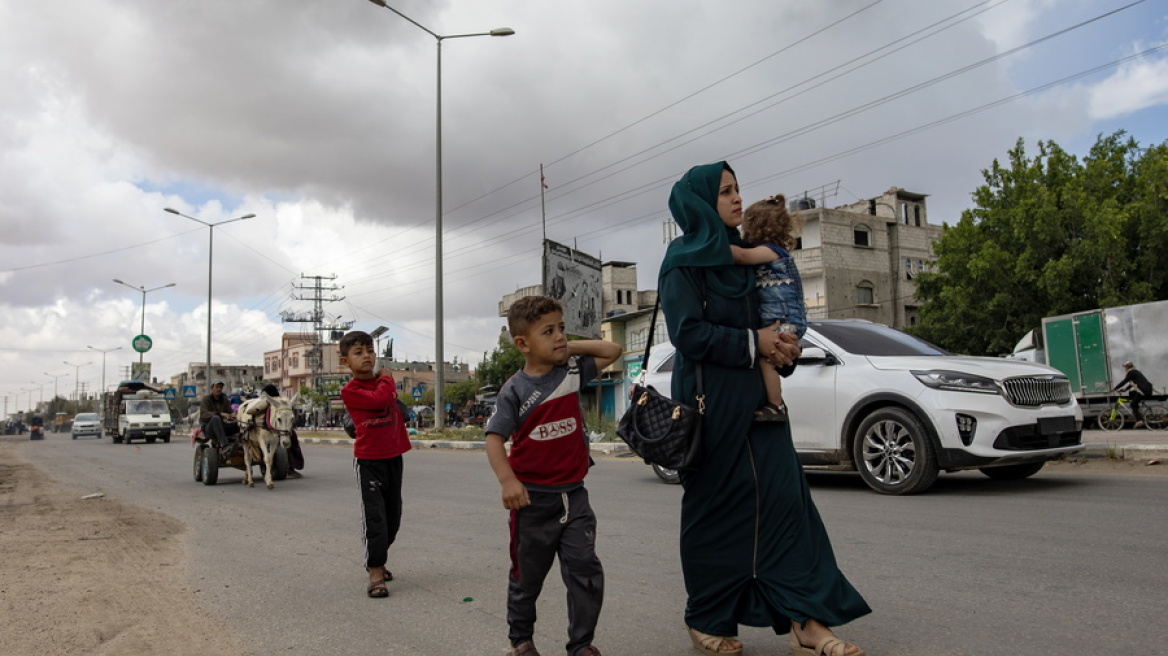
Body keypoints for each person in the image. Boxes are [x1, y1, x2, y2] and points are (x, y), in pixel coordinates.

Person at [660, 162, 870, 656]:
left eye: (738, 189)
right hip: (712, 406)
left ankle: (807, 621)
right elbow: (687, 333)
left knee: (789, 508)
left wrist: (782, 350)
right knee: (714, 516)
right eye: (725, 191)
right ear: (698, 202)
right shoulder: (683, 260)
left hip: (763, 408)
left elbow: (774, 317)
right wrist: (755, 342)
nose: (737, 199)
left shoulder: (751, 260)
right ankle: (708, 618)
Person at [484, 295, 621, 656]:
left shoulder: (572, 371)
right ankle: (521, 640)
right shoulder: (515, 390)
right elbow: (494, 439)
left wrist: (565, 345)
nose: (560, 336)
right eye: (549, 331)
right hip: (533, 502)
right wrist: (508, 481)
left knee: (585, 574)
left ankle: (581, 644)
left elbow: (613, 349)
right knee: (526, 579)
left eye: (561, 328)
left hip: (575, 497)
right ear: (522, 344)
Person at [338, 331, 411, 599]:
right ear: (345, 361)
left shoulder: (386, 382)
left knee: (393, 516)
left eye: (369, 350)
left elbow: (388, 396)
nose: (367, 355)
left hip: (394, 456)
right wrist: (387, 381)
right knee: (375, 518)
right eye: (358, 352)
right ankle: (375, 571)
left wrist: (388, 382)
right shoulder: (351, 391)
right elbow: (380, 400)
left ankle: (380, 556)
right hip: (369, 460)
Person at [729, 193, 807, 422]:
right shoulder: (773, 253)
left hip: (785, 320)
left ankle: (775, 405)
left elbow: (742, 256)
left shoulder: (772, 252)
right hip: (781, 318)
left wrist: (715, 244)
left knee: (767, 359)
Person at [198, 380, 239, 448]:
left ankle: (239, 443)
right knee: (215, 418)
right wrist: (220, 414)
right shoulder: (206, 399)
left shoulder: (225, 400)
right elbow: (203, 414)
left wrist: (233, 415)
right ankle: (224, 445)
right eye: (216, 387)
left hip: (222, 426)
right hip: (209, 428)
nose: (218, 389)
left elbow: (230, 412)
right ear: (212, 388)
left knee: (239, 423)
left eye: (220, 387)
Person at [1113, 361, 1154, 428]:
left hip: (1143, 391)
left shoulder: (1131, 372)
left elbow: (1124, 381)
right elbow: (1133, 383)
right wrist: (1125, 389)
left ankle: (1139, 420)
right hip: (1146, 390)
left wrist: (1114, 388)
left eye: (1125, 367)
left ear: (1127, 366)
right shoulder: (1135, 372)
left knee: (1132, 404)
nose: (1124, 368)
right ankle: (1138, 410)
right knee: (1132, 394)